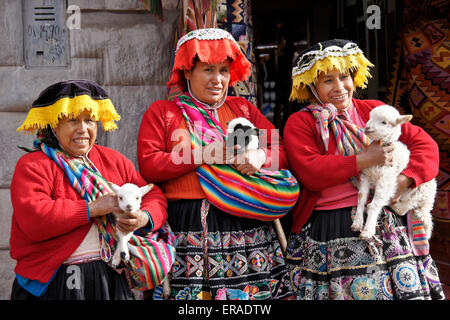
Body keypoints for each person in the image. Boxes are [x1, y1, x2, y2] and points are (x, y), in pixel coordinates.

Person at [137, 28, 294, 300]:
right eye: (208, 70)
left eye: (223, 70)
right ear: (187, 71)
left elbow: (280, 149)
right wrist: (203, 155)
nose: (218, 80)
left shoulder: (243, 110)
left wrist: (260, 157)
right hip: (191, 227)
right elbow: (149, 164)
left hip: (248, 224)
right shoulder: (164, 113)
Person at [283, 39, 445, 300]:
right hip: (331, 226)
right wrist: (364, 159)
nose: (339, 87)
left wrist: (404, 181)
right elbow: (310, 172)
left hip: (384, 218)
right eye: (327, 81)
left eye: (344, 77)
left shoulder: (373, 110)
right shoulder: (301, 122)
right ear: (311, 85)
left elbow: (426, 146)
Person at [10, 80, 168, 300]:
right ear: (54, 126)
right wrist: (93, 208)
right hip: (58, 280)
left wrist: (143, 217)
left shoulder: (113, 160)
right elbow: (34, 219)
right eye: (72, 120)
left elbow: (152, 196)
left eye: (90, 121)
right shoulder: (34, 165)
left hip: (110, 275)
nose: (83, 129)